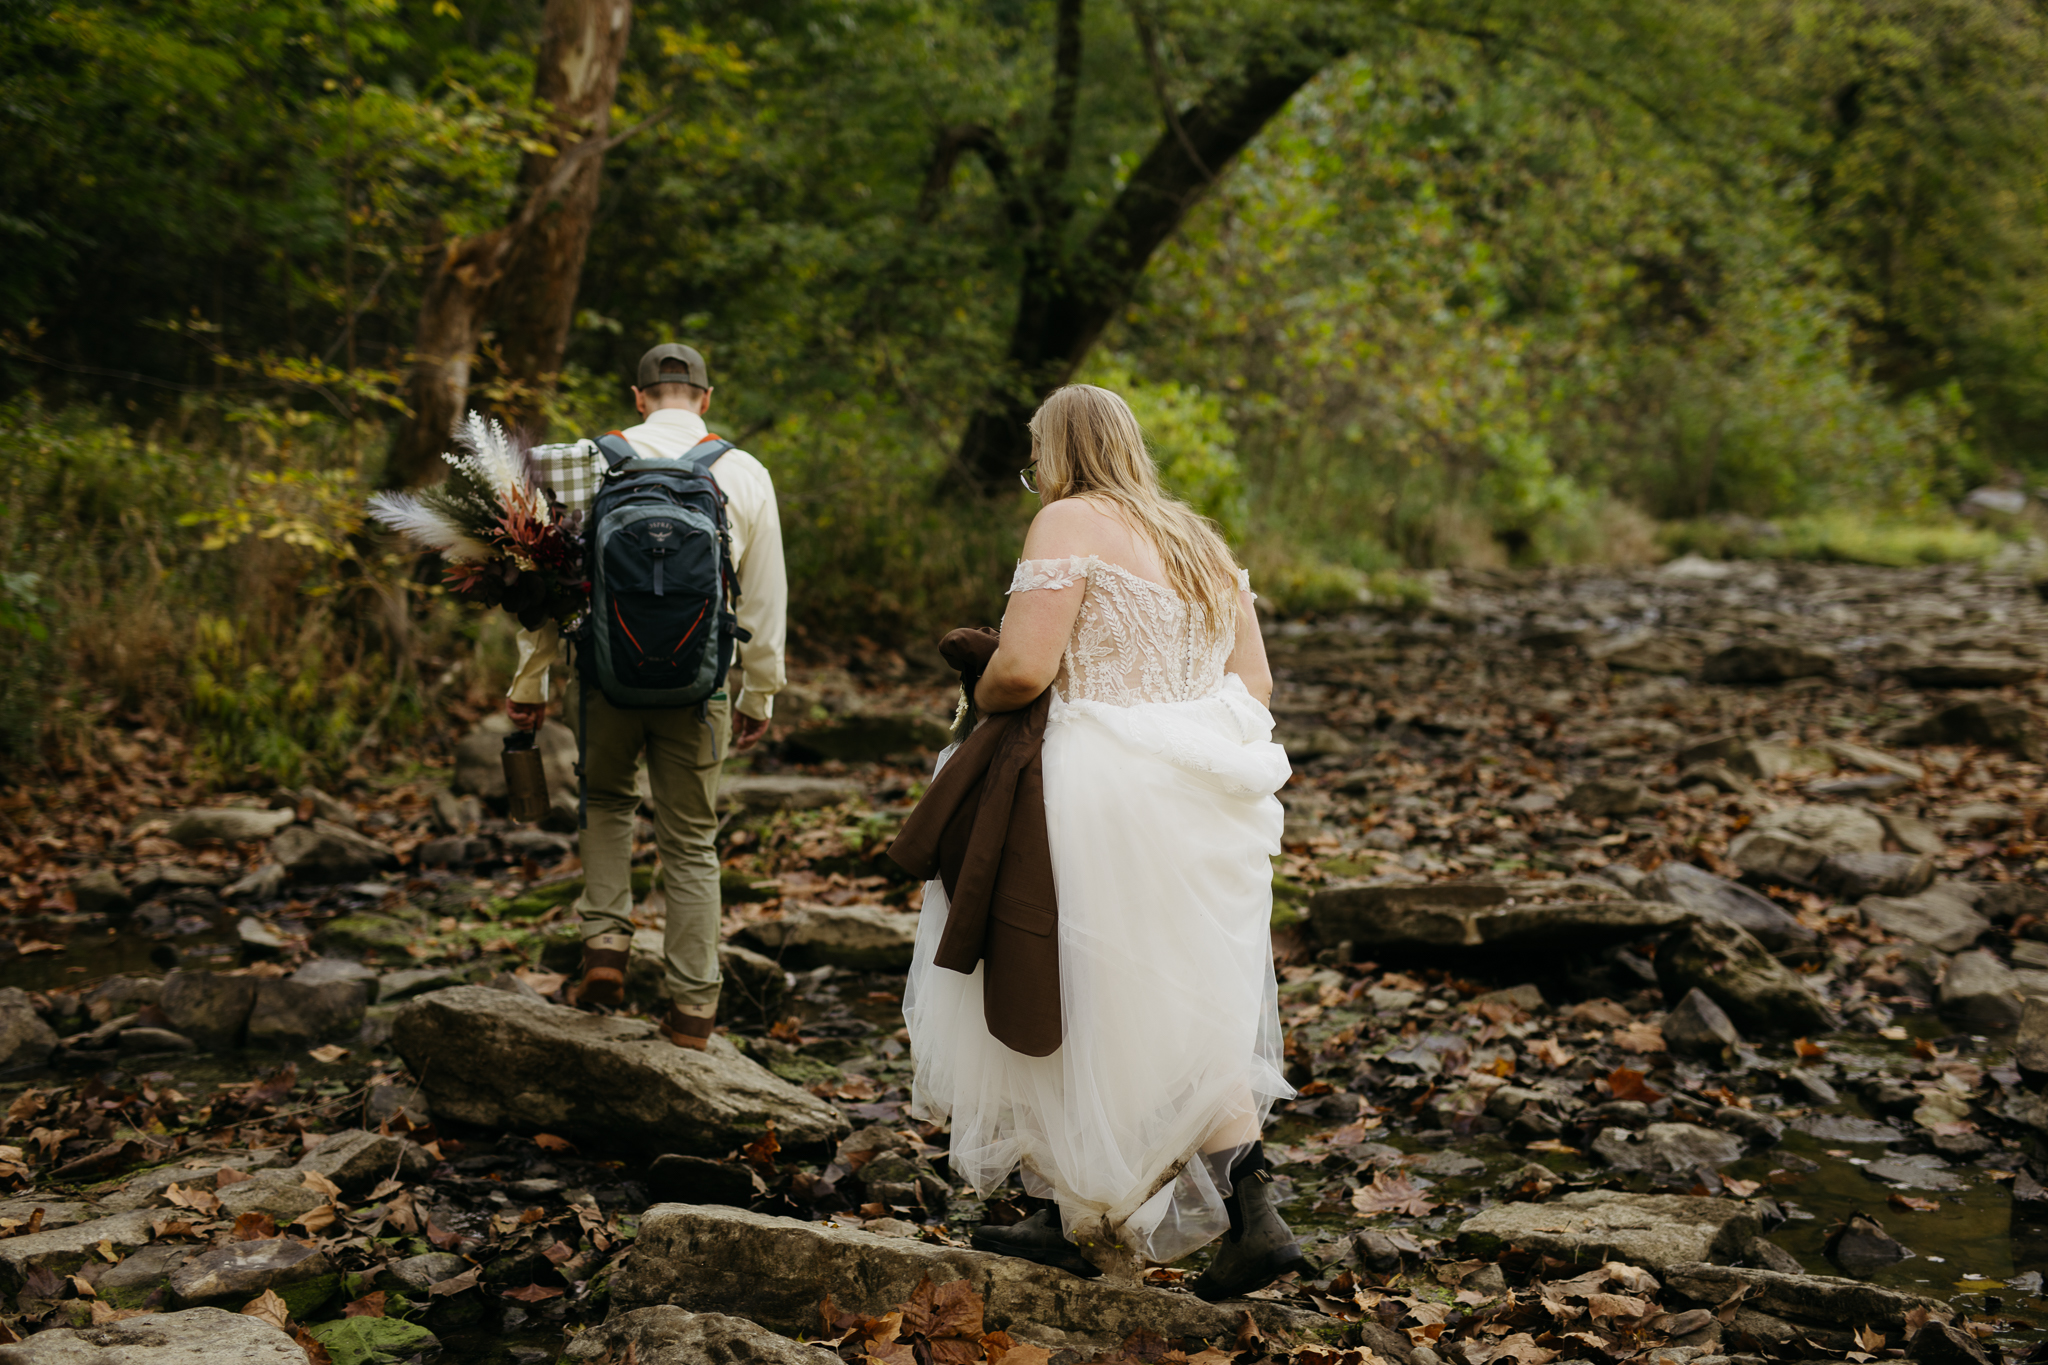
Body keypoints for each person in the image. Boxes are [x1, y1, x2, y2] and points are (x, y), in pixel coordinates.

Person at [901, 384, 1306, 1297]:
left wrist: (982, 696)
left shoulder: (1067, 520)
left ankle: (1076, 1209)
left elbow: (1025, 665)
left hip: (1092, 786)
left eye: (1035, 451)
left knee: (1060, 980)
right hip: (1204, 798)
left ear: (1059, 449)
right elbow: (1256, 686)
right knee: (1182, 998)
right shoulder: (1201, 540)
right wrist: (1184, 736)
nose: (1032, 469)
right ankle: (1237, 1212)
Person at [506, 342, 787, 1049]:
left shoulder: (582, 463)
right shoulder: (745, 472)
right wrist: (760, 691)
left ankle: (604, 945)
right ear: (706, 398)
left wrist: (531, 680)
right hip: (699, 688)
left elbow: (543, 582)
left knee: (604, 803)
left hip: (604, 680)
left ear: (637, 399)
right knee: (691, 842)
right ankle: (693, 1008)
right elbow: (767, 594)